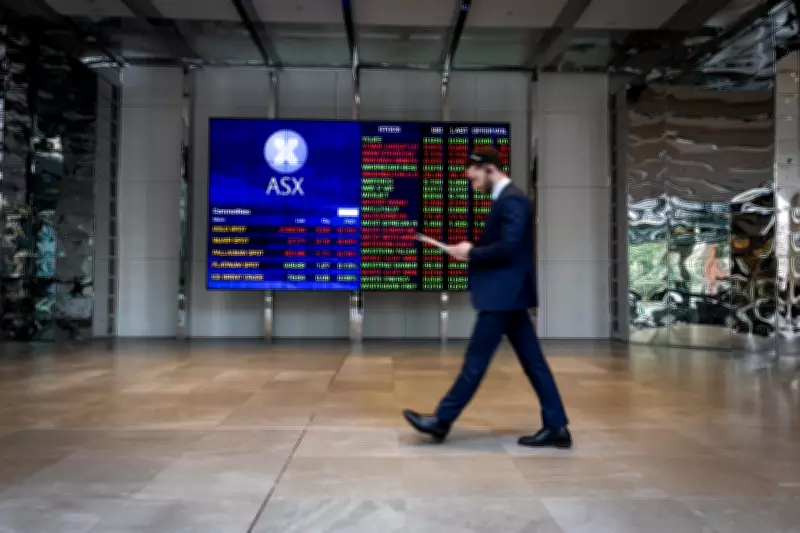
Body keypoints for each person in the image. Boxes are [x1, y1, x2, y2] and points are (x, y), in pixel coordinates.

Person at [403, 147, 571, 448]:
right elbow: (506, 246)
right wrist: (470, 252)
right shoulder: (508, 200)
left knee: (476, 362)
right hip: (510, 296)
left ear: (490, 168)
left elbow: (509, 247)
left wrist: (472, 253)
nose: (473, 183)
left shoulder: (512, 200)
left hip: (502, 296)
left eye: (475, 177)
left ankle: (441, 421)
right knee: (533, 363)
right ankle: (556, 426)